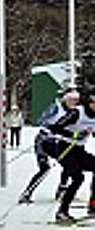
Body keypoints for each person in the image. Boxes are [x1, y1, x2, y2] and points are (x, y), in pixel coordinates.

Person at [41, 89, 95, 221]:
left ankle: (93, 205)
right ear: (90, 102)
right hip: (64, 148)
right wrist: (74, 135)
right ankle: (62, 211)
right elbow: (55, 127)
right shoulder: (77, 113)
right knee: (78, 178)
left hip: (78, 150)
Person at [18, 88, 80, 204]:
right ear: (65, 99)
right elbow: (41, 120)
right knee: (44, 169)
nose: (74, 102)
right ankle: (26, 194)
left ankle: (61, 191)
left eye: (76, 100)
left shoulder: (75, 112)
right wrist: (53, 127)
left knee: (68, 164)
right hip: (43, 140)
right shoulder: (56, 108)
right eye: (71, 99)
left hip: (58, 142)